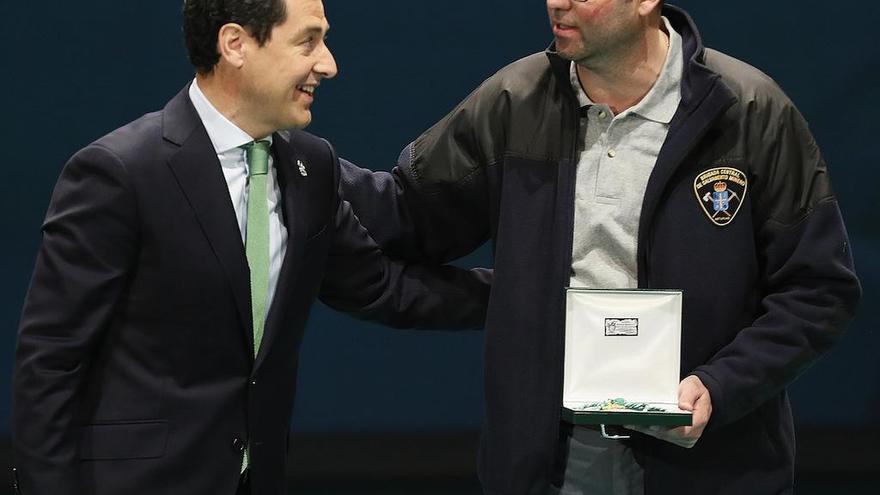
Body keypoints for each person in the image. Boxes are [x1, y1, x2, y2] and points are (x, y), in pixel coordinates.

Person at [339, 1, 861, 493]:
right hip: (554, 461)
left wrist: (721, 385)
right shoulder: (513, 102)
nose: (557, 3)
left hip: (712, 462)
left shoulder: (751, 110)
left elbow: (818, 290)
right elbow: (405, 213)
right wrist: (305, 165)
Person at [11, 1, 490, 494]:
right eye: (308, 41)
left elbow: (384, 288)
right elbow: (50, 361)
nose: (328, 64)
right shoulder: (120, 173)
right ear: (235, 44)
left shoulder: (311, 166)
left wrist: (532, 292)